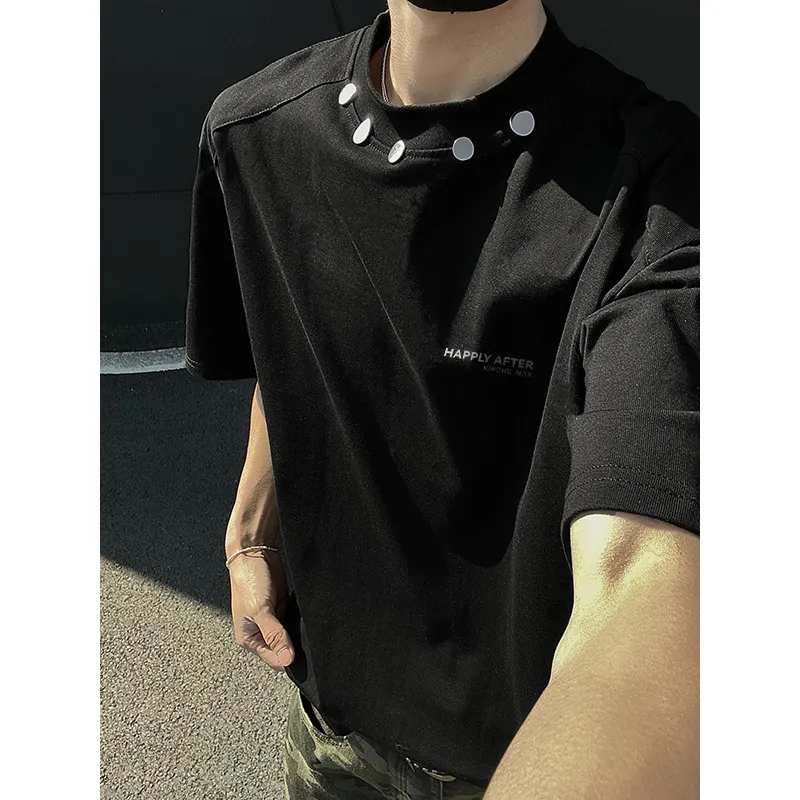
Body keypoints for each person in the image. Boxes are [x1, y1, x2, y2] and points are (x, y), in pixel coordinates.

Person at [184, 1, 700, 797]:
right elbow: (286, 352)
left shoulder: (667, 190)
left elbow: (649, 579)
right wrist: (250, 536)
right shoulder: (255, 133)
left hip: (517, 751)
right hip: (331, 735)